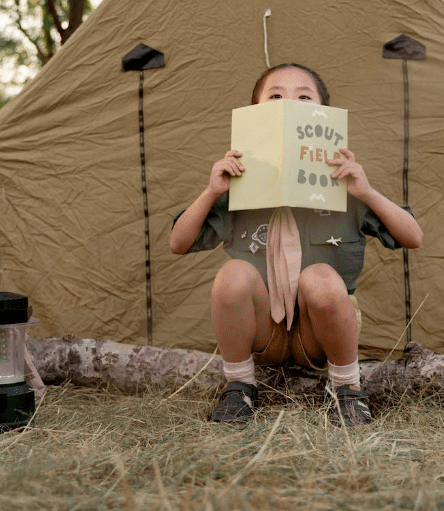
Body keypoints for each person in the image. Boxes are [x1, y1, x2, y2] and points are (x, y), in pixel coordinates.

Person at [169, 63, 423, 426]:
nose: (290, 103)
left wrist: (364, 191)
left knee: (319, 276)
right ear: (256, 113)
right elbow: (178, 243)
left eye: (304, 96)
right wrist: (213, 191)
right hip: (263, 330)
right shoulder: (238, 185)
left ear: (323, 114)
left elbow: (412, 237)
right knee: (233, 273)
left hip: (321, 333)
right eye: (275, 96)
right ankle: (240, 386)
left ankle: (348, 390)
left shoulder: (342, 184)